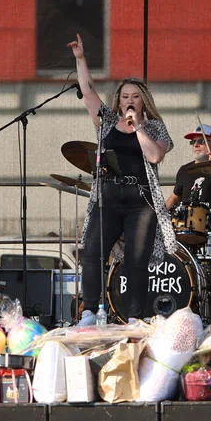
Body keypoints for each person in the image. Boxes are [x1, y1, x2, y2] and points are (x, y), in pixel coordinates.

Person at [68, 34, 176, 325]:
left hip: (140, 201)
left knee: (136, 260)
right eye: (125, 96)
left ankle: (135, 316)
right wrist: (81, 59)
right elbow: (88, 92)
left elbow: (155, 156)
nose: (129, 101)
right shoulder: (105, 121)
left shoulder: (155, 127)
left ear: (143, 101)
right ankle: (89, 311)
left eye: (135, 96)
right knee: (92, 252)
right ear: (118, 100)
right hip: (108, 195)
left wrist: (138, 127)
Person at [165, 124, 211, 232]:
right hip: (184, 230)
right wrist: (159, 215)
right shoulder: (184, 170)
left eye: (201, 141)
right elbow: (175, 197)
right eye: (192, 142)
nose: (195, 145)